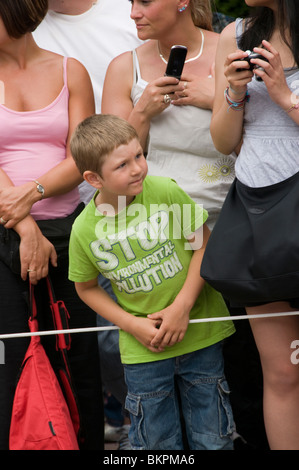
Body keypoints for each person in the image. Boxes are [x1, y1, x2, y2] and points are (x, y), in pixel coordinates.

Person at [68, 113, 236, 450]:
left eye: (139, 156)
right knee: (157, 442)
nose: (137, 168)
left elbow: (203, 246)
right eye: (122, 165)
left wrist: (181, 308)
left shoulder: (165, 191)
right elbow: (85, 288)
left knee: (212, 438)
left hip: (200, 334)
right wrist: (132, 325)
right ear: (93, 178)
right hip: (144, 349)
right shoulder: (83, 230)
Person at [33, 0, 143, 447]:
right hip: (70, 215)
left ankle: (154, 427)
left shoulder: (128, 11)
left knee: (139, 331)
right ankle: (136, 422)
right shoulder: (24, 24)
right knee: (97, 343)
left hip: (141, 195)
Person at [0, 0, 103, 450]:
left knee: (78, 359)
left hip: (69, 230)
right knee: (15, 359)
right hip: (5, 234)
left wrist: (32, 193)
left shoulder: (70, 71)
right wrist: (26, 229)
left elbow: (82, 154)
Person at [209, 0, 299, 450]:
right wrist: (236, 92)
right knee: (282, 371)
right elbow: (224, 142)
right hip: (258, 212)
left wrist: (284, 95)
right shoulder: (237, 33)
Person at [101, 0, 236, 232]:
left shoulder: (231, 53)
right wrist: (142, 111)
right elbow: (110, 162)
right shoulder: (124, 67)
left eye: (145, 2)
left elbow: (262, 139)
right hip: (156, 224)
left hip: (228, 217)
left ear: (183, 2)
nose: (133, 13)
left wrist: (216, 99)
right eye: (131, 2)